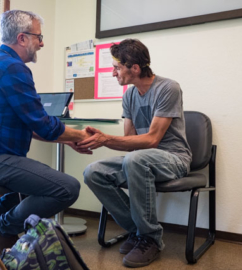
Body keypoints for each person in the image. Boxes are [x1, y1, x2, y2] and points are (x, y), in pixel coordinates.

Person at [0, 10, 91, 256]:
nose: (41, 43)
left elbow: (31, 126)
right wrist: (83, 135)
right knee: (67, 187)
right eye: (38, 37)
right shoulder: (13, 68)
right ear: (22, 38)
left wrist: (71, 138)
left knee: (43, 182)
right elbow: (43, 125)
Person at [78, 39, 192, 268]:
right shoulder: (129, 96)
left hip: (174, 158)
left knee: (135, 159)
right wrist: (99, 139)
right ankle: (138, 231)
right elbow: (130, 142)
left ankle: (151, 239)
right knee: (93, 172)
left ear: (135, 68)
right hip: (140, 159)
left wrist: (106, 139)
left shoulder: (168, 88)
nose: (113, 73)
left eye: (117, 68)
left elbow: (152, 140)